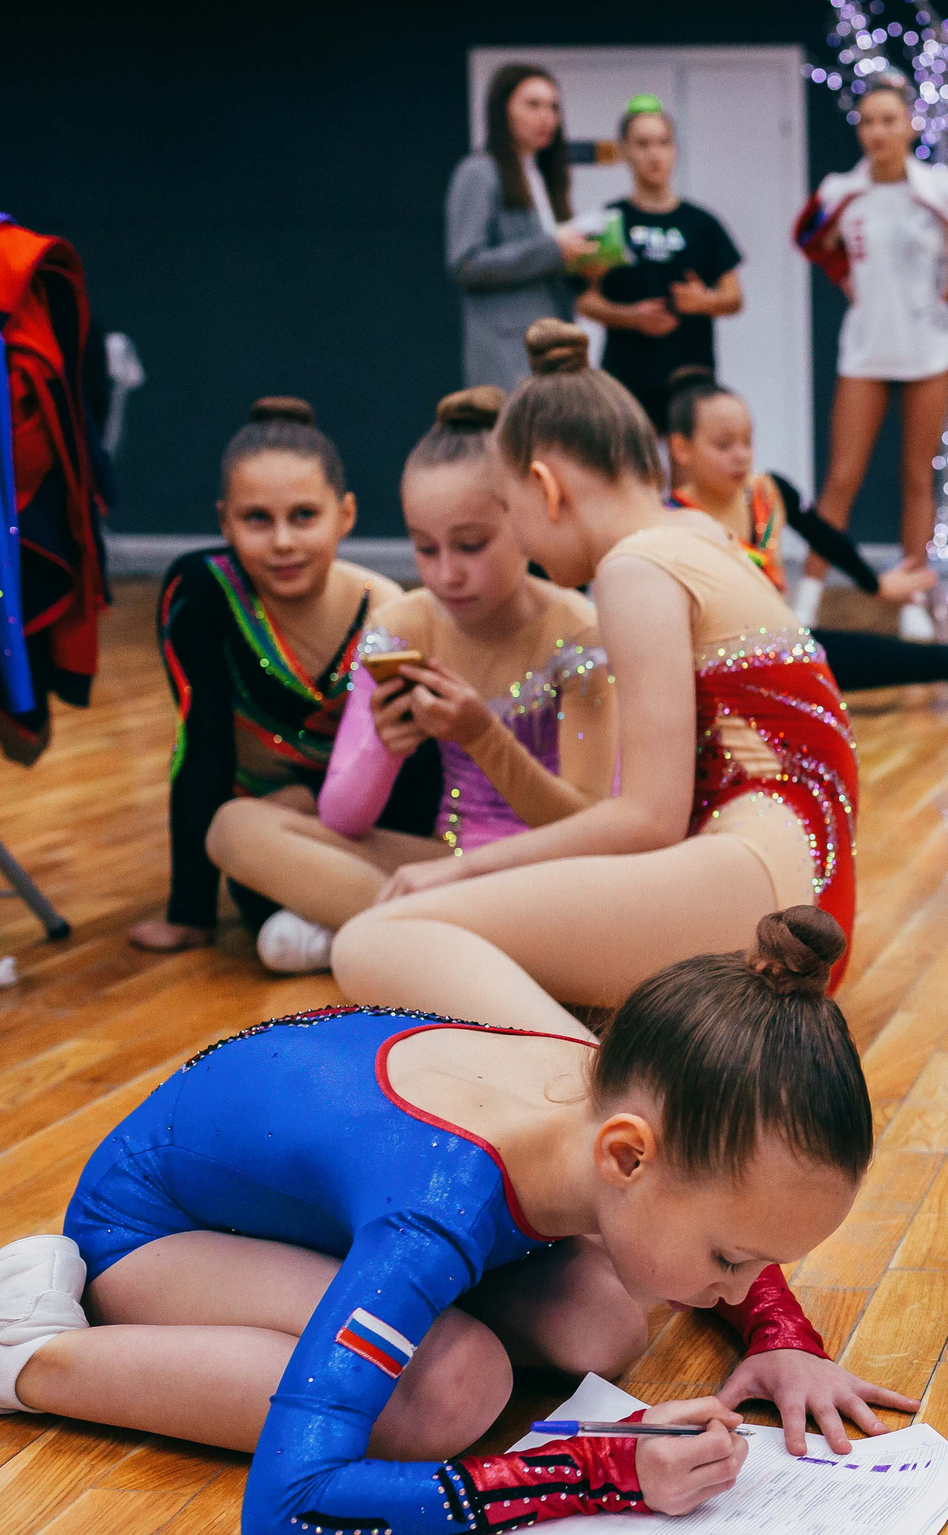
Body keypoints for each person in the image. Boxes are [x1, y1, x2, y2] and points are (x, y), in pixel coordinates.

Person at [0, 910, 920, 1535]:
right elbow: (290, 1511)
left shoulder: (629, 1091)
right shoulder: (434, 1208)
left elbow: (728, 1196)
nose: (746, 1281)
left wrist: (782, 1336)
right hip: (158, 1230)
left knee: (602, 1320)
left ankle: (391, 1321)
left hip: (315, 1183)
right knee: (449, 1390)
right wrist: (594, 1473)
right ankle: (14, 1350)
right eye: (737, 1260)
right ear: (624, 1157)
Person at [328, 321, 860, 1029]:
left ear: (545, 488)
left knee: (374, 940)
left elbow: (647, 817)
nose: (521, 538)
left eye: (511, 514)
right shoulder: (697, 533)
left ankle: (591, 1098)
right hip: (800, 886)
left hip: (761, 885)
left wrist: (465, 868)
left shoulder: (633, 568)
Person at [205, 388, 617, 974]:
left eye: (471, 546)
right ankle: (439, 939)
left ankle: (388, 933)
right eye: (425, 548)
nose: (447, 574)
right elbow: (344, 819)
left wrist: (482, 736)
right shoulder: (402, 624)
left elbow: (588, 832)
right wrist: (382, 747)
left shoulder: (580, 636)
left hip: (549, 873)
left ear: (523, 520)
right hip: (441, 861)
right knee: (234, 828)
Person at [128, 400, 436, 956]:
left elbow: (408, 771)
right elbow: (202, 743)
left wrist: (308, 799)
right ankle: (374, 920)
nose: (283, 543)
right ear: (224, 521)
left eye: (303, 516)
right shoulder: (203, 592)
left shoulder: (386, 610)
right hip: (267, 827)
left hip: (369, 824)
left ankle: (380, 922)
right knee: (252, 875)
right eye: (256, 520)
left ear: (345, 515)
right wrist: (190, 913)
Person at [665, 370, 948, 698]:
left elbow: (825, 537)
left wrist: (875, 584)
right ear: (681, 448)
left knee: (927, 660)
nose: (741, 455)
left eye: (747, 441)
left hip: (783, 650)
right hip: (710, 671)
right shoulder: (668, 522)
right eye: (724, 445)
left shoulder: (768, 490)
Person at [794, 75, 948, 630]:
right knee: (841, 477)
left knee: (918, 474)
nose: (878, 131)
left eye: (889, 120)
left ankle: (914, 597)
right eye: (868, 121)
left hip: (929, 344)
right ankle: (807, 595)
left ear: (911, 126)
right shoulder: (838, 193)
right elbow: (808, 237)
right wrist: (844, 273)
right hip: (866, 347)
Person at [577, 97, 745, 432]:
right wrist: (631, 318)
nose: (654, 154)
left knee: (690, 476)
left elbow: (734, 298)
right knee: (634, 475)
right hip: (626, 373)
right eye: (642, 144)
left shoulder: (702, 222)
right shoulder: (609, 220)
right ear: (624, 151)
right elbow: (585, 300)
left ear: (675, 150)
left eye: (663, 143)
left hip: (691, 372)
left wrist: (705, 302)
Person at [449, 63, 588, 391]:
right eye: (533, 104)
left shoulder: (540, 175)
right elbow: (466, 263)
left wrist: (582, 264)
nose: (546, 117)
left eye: (553, 107)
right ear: (502, 111)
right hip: (506, 348)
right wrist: (554, 249)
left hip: (553, 344)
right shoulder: (479, 171)